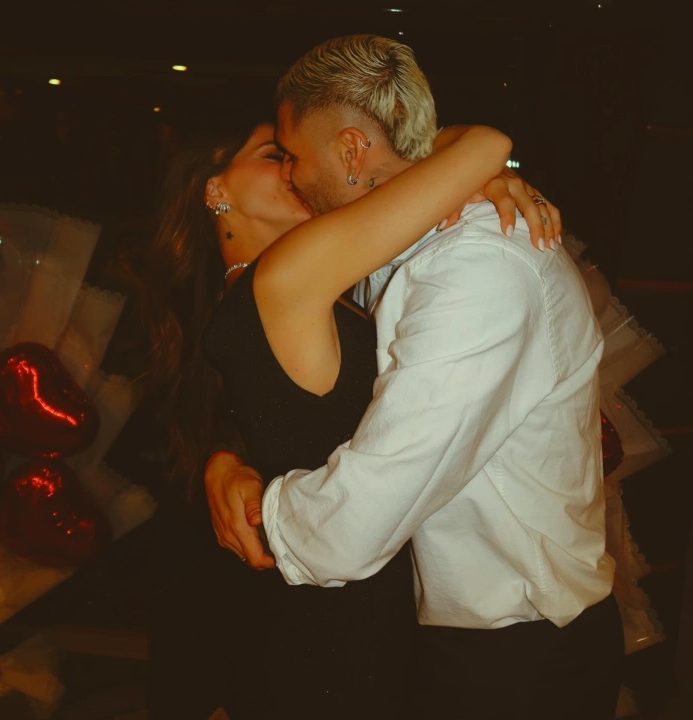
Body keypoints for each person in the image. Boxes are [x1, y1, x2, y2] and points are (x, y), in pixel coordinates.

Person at [205, 34, 624, 720]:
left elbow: (368, 511)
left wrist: (259, 513)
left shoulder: (480, 266)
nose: (290, 176)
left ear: (350, 150)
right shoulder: (411, 247)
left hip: (520, 654)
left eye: (293, 155)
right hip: (457, 638)